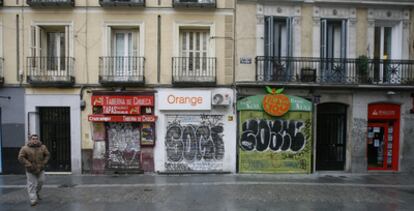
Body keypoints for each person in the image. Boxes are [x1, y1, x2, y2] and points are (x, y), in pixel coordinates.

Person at [18, 134, 50, 206]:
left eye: (36, 138)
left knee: (41, 182)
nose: (35, 140)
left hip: (40, 168)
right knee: (31, 184)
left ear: (38, 139)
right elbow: (20, 157)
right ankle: (33, 199)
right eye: (33, 139)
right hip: (30, 169)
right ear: (30, 140)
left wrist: (44, 162)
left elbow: (47, 155)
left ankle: (36, 192)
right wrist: (28, 164)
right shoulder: (25, 148)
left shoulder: (43, 147)